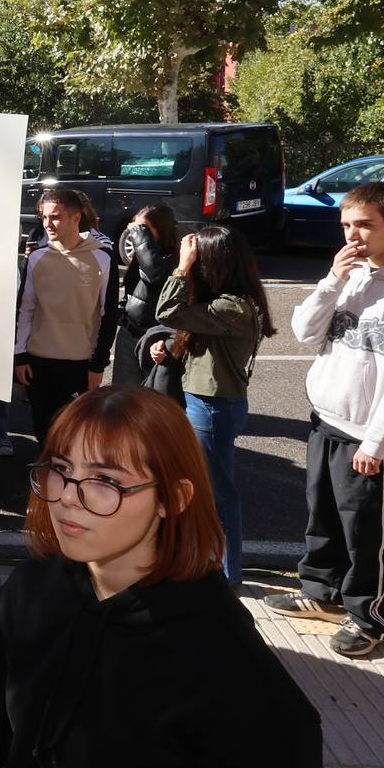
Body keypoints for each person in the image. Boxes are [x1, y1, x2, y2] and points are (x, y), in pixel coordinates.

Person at [0, 386, 323, 768]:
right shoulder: (34, 589)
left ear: (172, 499)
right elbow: (2, 724)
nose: (67, 499)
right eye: (60, 469)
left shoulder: (223, 656)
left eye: (105, 479)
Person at [270, 180, 384, 657]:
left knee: (367, 531)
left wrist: (379, 441)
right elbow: (305, 333)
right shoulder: (351, 272)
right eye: (347, 225)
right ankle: (319, 592)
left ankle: (371, 618)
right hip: (327, 418)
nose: (354, 236)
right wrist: (333, 280)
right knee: (322, 517)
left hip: (370, 433)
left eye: (365, 225)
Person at [154, 225, 275, 586]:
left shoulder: (231, 307)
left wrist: (180, 268)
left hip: (212, 408)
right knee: (204, 489)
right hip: (209, 405)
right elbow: (181, 328)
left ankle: (226, 575)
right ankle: (207, 564)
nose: (194, 266)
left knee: (217, 496)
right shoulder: (227, 303)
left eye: (199, 261)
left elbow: (167, 311)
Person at [13, 188, 120, 444]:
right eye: (44, 217)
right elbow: (26, 308)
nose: (48, 224)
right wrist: (20, 354)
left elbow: (108, 315)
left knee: (74, 436)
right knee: (43, 433)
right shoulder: (37, 257)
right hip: (38, 362)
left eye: (56, 217)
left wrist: (98, 364)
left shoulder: (102, 258)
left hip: (79, 363)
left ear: (77, 217)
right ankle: (43, 482)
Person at [112, 204, 179, 386]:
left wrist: (140, 236)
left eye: (145, 229)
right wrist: (122, 312)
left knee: (151, 400)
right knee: (124, 397)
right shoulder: (140, 257)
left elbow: (154, 275)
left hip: (155, 339)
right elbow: (131, 291)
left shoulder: (174, 260)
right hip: (129, 334)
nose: (136, 234)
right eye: (135, 227)